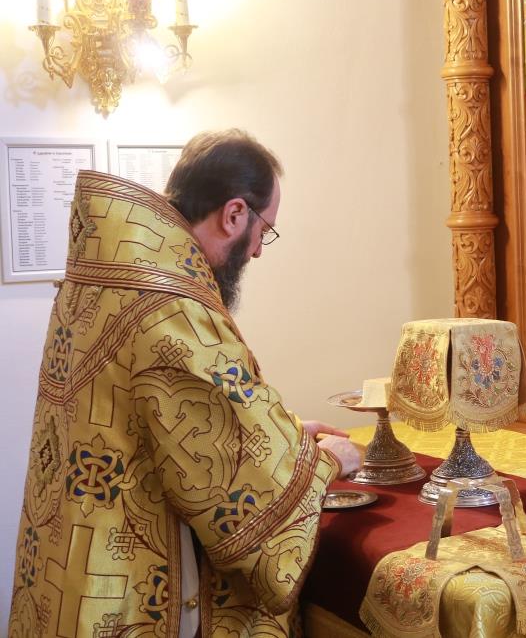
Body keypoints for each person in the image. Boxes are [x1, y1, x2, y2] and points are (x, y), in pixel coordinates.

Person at [9, 130, 362, 638]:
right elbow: (232, 477)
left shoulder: (104, 277)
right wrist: (325, 462)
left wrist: (287, 438)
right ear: (234, 213)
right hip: (137, 585)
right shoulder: (172, 306)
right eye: (265, 230)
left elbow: (173, 421)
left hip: (75, 558)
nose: (258, 251)